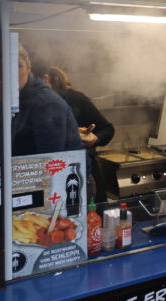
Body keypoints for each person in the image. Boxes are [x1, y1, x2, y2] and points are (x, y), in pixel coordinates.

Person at [39, 65, 115, 203]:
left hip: (82, 172)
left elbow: (108, 129)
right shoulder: (33, 105)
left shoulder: (75, 99)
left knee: (88, 219)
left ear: (46, 79)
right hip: (49, 176)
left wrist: (95, 138)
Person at [12, 45, 83, 156]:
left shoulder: (46, 103)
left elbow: (49, 162)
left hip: (65, 172)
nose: (11, 73)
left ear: (28, 67)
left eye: (17, 66)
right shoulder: (13, 98)